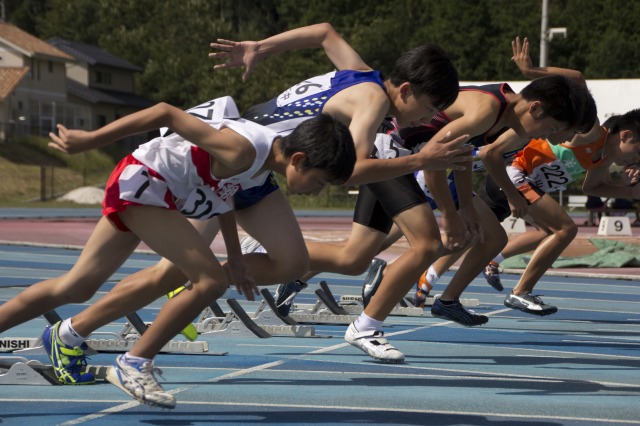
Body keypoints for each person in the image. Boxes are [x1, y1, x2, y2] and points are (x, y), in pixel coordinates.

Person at [8, 20, 472, 396]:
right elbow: (349, 169)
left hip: (249, 168)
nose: (425, 121)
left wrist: (259, 47)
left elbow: (325, 32)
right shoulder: (371, 100)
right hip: (230, 162)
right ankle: (102, 339)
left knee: (287, 263)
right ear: (407, 89)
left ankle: (115, 320)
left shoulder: (360, 73)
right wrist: (419, 160)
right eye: (429, 108)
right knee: (180, 276)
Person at [0, 98, 356, 409]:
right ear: (298, 159)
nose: (316, 191)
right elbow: (166, 113)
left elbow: (224, 196)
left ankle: (75, 340)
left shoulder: (262, 160)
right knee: (209, 282)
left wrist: (234, 256)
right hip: (143, 184)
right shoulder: (244, 149)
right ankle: (135, 362)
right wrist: (91, 140)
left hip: (153, 191)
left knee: (77, 287)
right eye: (320, 181)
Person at [260, 35, 596, 363]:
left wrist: (465, 207)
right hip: (391, 150)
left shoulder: (504, 114)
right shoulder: (486, 110)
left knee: (354, 258)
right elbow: (436, 163)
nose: (547, 138)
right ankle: (367, 326)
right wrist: (452, 215)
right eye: (551, 129)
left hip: (400, 154)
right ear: (535, 109)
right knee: (427, 244)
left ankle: (273, 256)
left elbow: (460, 158)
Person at [477, 109, 640, 315]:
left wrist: (631, 191)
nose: (636, 160)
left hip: (525, 184)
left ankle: (488, 263)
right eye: (638, 152)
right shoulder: (592, 134)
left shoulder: (604, 157)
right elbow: (580, 96)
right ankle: (521, 291)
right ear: (625, 135)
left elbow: (592, 188)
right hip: (515, 175)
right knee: (565, 230)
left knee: (545, 232)